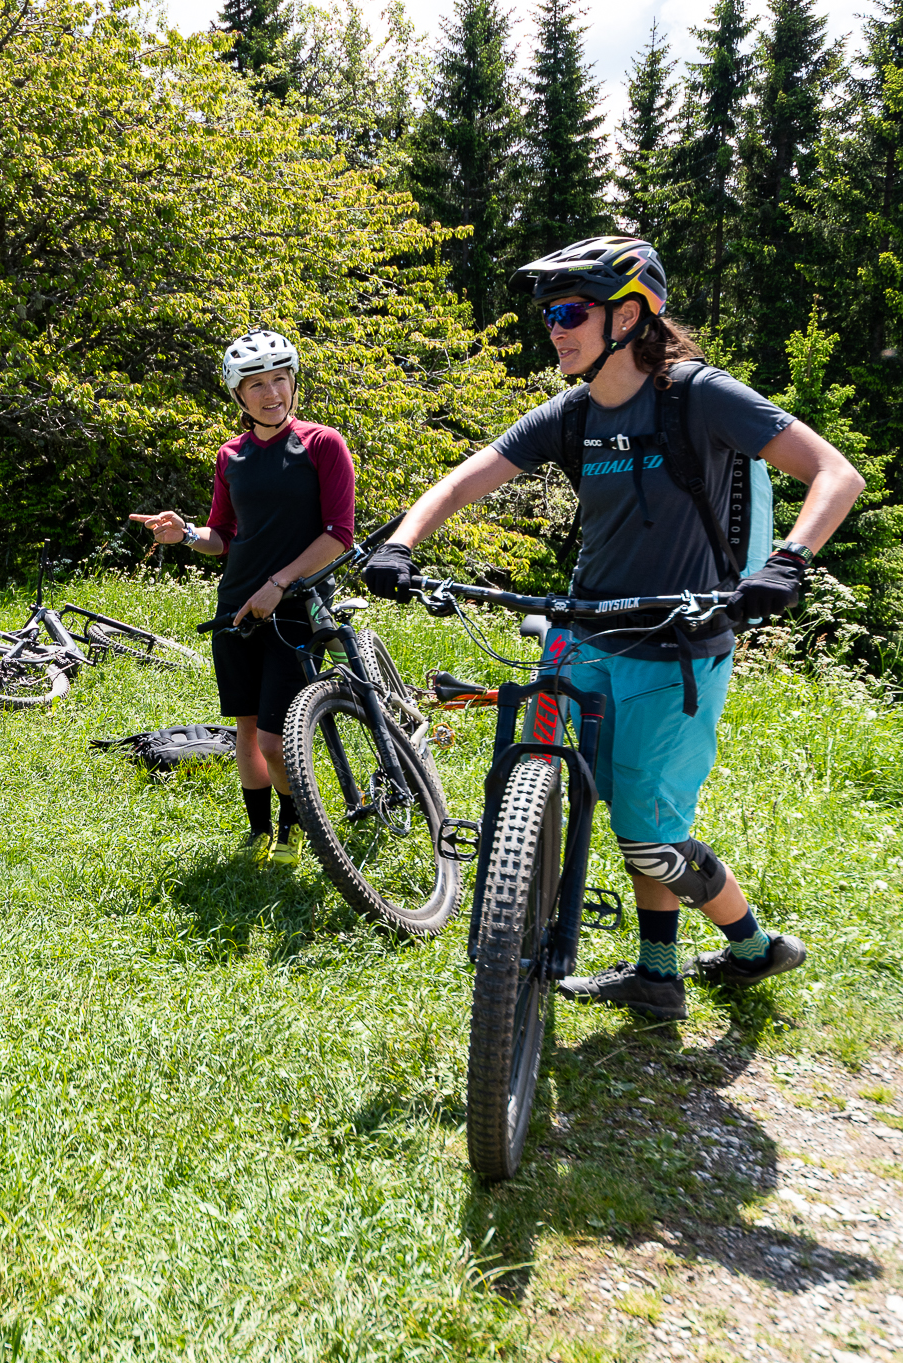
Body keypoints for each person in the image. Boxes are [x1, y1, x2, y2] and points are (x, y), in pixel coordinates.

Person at [362, 236, 866, 1020]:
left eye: (571, 312)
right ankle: (657, 976)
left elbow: (837, 472)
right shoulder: (573, 414)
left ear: (627, 317)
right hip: (583, 630)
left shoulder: (698, 396)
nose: (555, 330)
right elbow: (464, 479)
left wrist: (788, 563)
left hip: (678, 645)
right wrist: (401, 544)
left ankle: (753, 944)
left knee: (650, 835)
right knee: (580, 787)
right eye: (549, 317)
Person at [129, 328, 356, 863]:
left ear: (294, 382)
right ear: (238, 394)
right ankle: (259, 832)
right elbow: (224, 535)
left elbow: (338, 535)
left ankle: (293, 826)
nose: (271, 392)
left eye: (280, 379)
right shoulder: (230, 455)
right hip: (235, 607)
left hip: (295, 607)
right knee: (247, 731)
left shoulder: (322, 444)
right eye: (257, 384)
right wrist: (186, 534)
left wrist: (279, 584)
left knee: (278, 739)